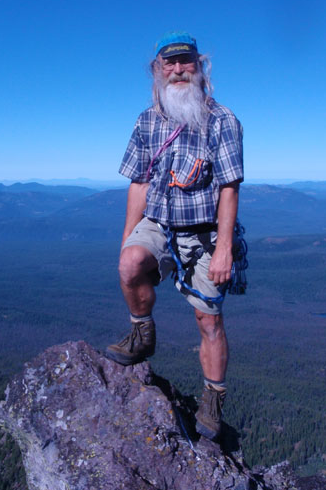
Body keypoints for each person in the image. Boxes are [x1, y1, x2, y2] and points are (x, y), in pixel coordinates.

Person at [105, 31, 244, 441]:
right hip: (158, 221)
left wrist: (223, 251)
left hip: (203, 233)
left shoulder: (222, 120)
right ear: (158, 70)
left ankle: (214, 398)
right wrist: (129, 238)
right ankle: (142, 334)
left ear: (200, 68)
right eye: (170, 63)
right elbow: (138, 183)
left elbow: (229, 188)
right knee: (130, 265)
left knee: (209, 320)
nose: (179, 70)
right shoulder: (147, 121)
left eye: (187, 62)